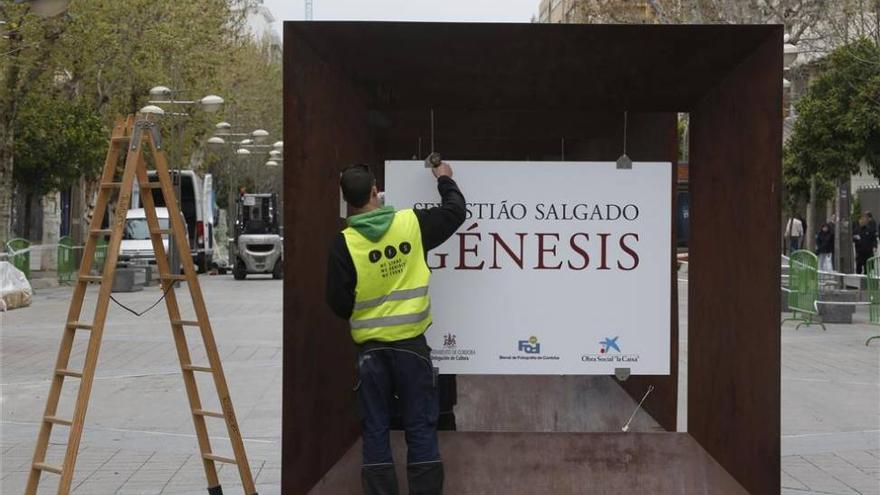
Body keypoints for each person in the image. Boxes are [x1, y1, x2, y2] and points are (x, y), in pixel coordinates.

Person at [326, 161, 466, 495]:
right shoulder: (409, 224)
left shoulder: (344, 244)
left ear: (347, 199)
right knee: (420, 426)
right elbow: (455, 212)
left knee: (375, 428)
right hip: (411, 347)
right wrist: (444, 179)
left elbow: (338, 302)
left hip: (371, 353)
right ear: (375, 191)